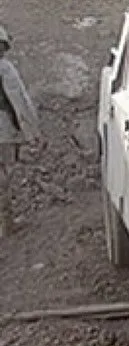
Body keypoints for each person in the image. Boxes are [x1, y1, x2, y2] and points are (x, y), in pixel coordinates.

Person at [0, 25, 40, 237]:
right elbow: (20, 102)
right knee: (3, 177)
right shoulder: (5, 69)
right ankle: (6, 224)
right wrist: (32, 132)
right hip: (3, 131)